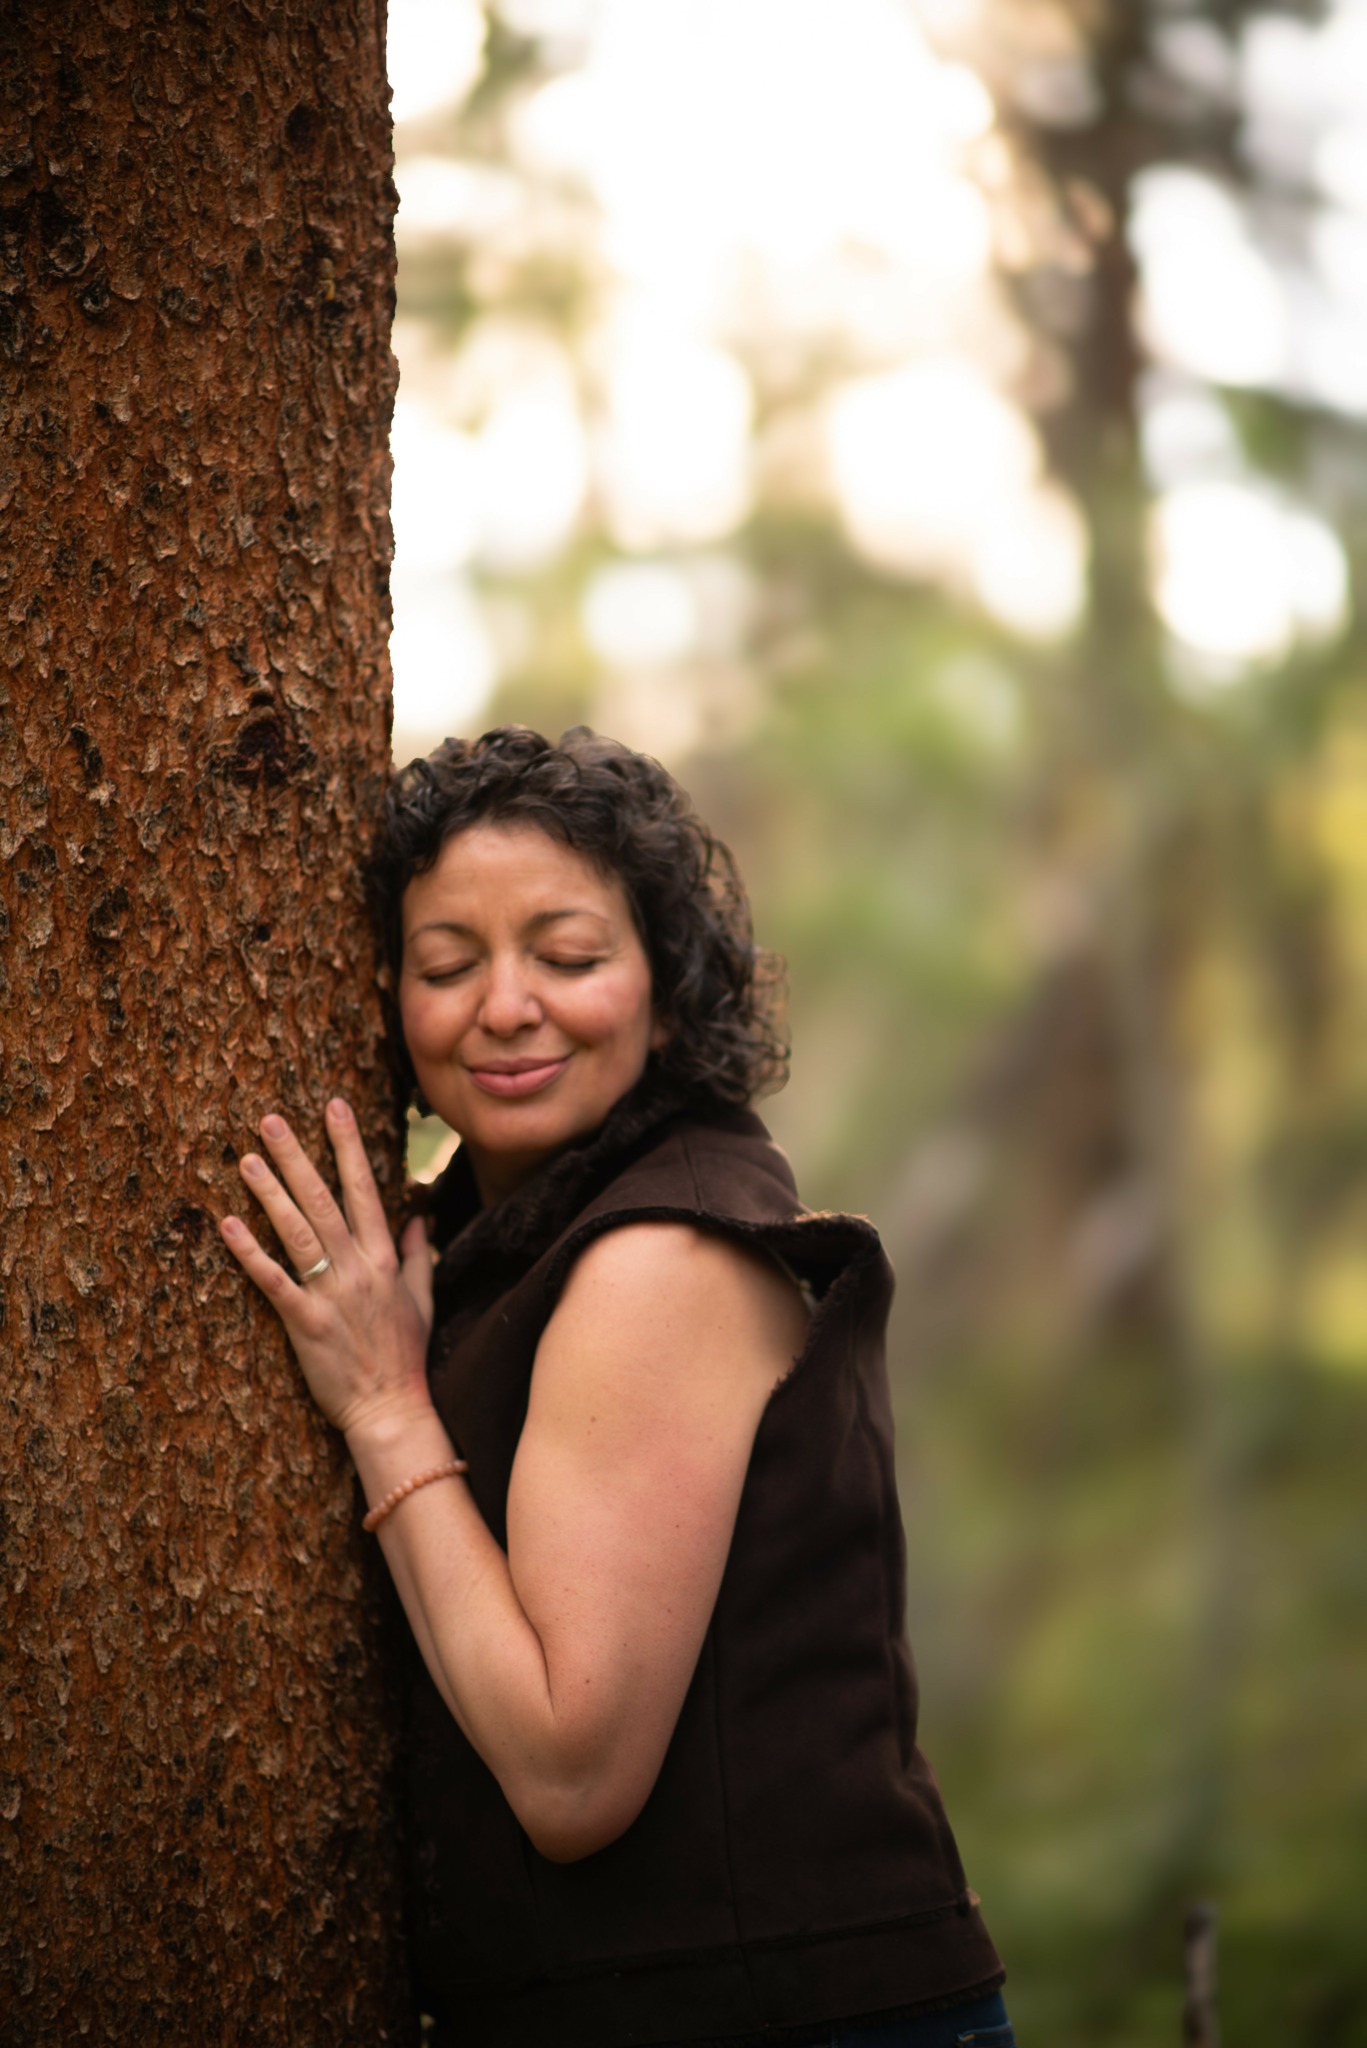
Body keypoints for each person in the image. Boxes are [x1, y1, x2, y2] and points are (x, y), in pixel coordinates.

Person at [218, 725, 1012, 2048]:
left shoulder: (662, 1257)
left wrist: (383, 1408)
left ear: (668, 988)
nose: (505, 1006)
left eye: (570, 957)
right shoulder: (501, 1239)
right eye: (447, 966)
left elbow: (571, 1775)